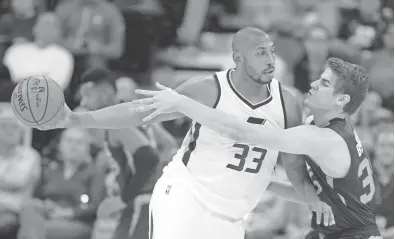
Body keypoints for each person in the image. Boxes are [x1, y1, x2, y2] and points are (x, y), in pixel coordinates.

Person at [35, 27, 334, 239]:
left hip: (232, 218)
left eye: (271, 52)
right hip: (185, 197)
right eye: (260, 53)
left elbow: (295, 169)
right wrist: (75, 119)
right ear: (238, 59)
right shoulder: (207, 89)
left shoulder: (289, 102)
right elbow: (140, 112)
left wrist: (315, 200)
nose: (270, 60)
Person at [132, 57, 382, 239]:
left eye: (325, 83)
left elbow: (242, 133)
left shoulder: (322, 138)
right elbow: (324, 199)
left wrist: (181, 103)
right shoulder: (324, 130)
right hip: (337, 231)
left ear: (342, 100)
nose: (315, 83)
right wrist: (260, 180)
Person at [76, 68, 160, 239]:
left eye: (87, 95)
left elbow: (149, 158)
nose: (83, 103)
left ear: (105, 94)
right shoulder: (133, 111)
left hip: (140, 201)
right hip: (148, 200)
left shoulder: (117, 121)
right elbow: (168, 146)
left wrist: (123, 198)